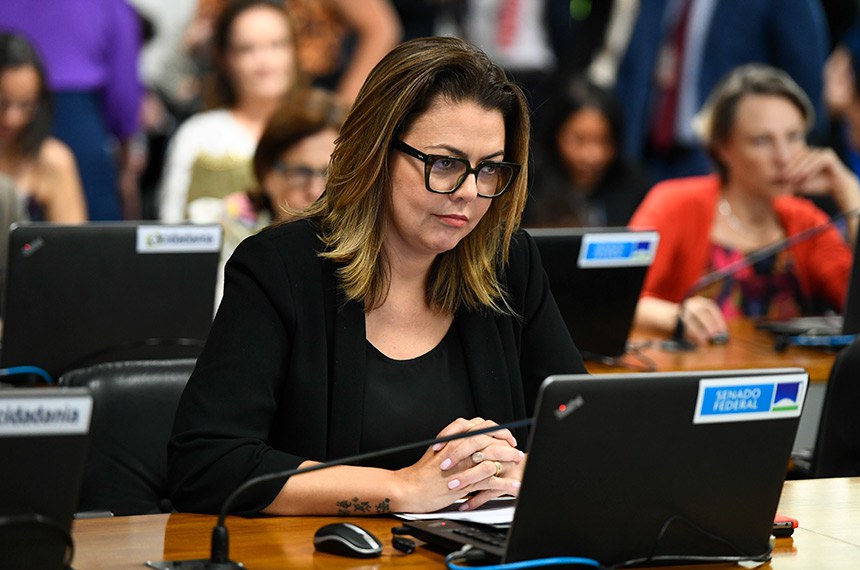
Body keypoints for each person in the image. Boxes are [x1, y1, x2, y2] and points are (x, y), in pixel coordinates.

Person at [168, 36, 586, 516]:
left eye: (490, 169)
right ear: (375, 151)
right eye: (445, 164)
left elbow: (582, 427)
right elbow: (207, 463)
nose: (470, 192)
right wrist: (400, 488)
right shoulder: (280, 267)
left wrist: (526, 471)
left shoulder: (509, 263)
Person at [629, 64, 860, 346]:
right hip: (694, 371)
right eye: (762, 141)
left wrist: (850, 193)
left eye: (793, 137)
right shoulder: (675, 204)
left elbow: (855, 307)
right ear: (722, 148)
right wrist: (675, 316)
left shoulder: (806, 220)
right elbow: (614, 299)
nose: (784, 157)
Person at [158, 0, 300, 223]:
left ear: (294, 51)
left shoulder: (318, 133)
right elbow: (171, 225)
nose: (264, 60)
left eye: (277, 44)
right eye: (247, 49)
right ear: (224, 57)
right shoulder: (198, 134)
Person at [0, 0, 143, 221]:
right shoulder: (107, 6)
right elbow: (124, 95)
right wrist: (125, 157)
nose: (13, 118)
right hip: (82, 121)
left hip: (74, 117)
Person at [524, 76, 649, 227]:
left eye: (604, 140)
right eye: (579, 140)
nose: (592, 155)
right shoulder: (528, 186)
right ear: (555, 135)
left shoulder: (635, 187)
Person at [0, 33, 86, 222]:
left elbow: (71, 238)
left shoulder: (53, 161)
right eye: (2, 103)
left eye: (26, 105)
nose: (12, 118)